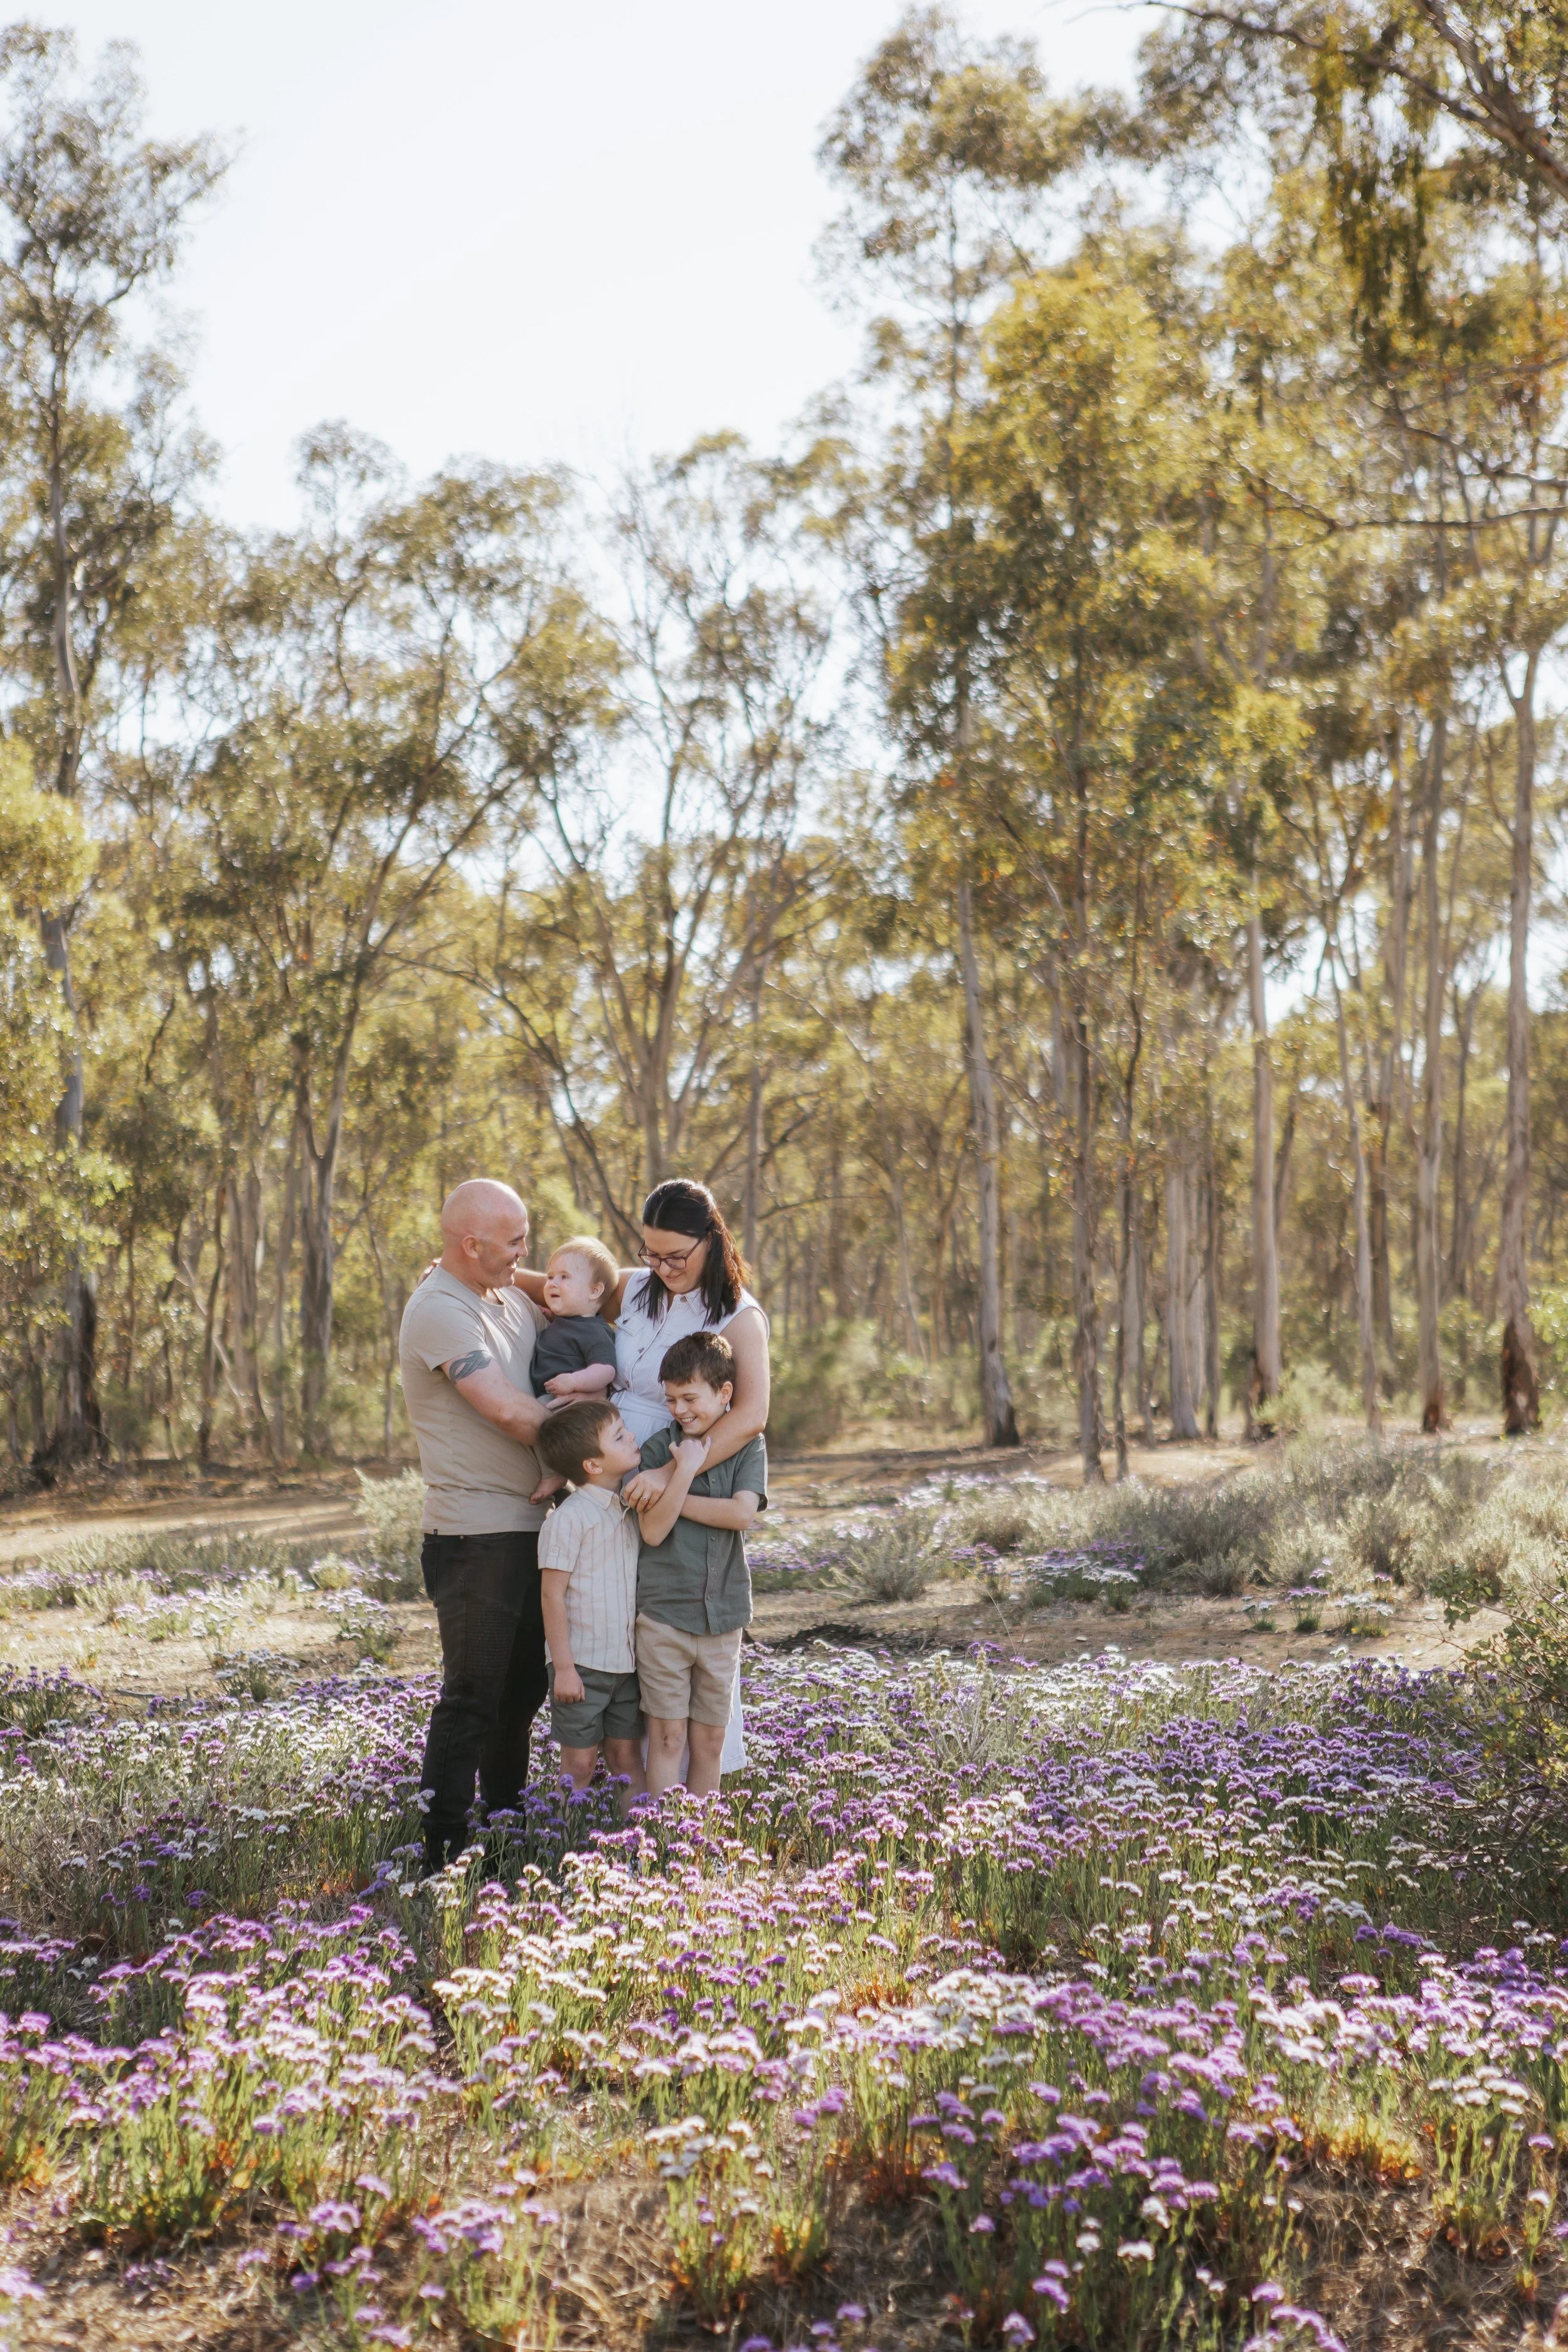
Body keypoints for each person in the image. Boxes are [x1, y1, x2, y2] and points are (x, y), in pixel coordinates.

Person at [513, 1177, 769, 1777]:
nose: (662, 1266)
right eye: (650, 1253)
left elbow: (751, 1416)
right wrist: (478, 1276)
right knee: (603, 1616)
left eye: (676, 1256)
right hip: (607, 1474)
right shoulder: (636, 1288)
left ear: (712, 1240)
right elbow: (568, 1283)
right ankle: (608, 1786)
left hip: (671, 1470)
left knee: (667, 1623)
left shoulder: (738, 1314)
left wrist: (670, 1472)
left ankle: (679, 1807)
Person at [398, 1179, 556, 1873]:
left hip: (529, 1529)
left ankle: (506, 1826)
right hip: (473, 1538)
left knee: (522, 1692)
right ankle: (442, 1850)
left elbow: (593, 1290)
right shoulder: (438, 1309)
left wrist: (514, 1266)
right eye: (516, 1241)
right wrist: (618, 1441)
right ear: (470, 1244)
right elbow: (510, 1413)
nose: (527, 1254)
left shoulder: (508, 1292)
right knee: (473, 1696)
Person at [632, 1331, 765, 1798]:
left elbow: (740, 1514)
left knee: (709, 1740)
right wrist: (682, 1469)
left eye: (690, 1397)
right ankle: (663, 1847)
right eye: (671, 1400)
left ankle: (696, 1849)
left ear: (724, 1393)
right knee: (667, 1738)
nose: (679, 1410)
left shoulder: (749, 1447)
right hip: (664, 1618)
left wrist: (673, 1491)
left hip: (723, 1617)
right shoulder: (655, 1452)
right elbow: (652, 1531)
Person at [534, 1398, 647, 1811]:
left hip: (627, 1664)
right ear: (593, 1466)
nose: (631, 1435)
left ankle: (637, 1845)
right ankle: (562, 1848)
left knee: (626, 1758)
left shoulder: (631, 1509)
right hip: (580, 1665)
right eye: (619, 1435)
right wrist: (563, 1668)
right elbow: (551, 1595)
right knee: (579, 1764)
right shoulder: (569, 1519)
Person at [527, 1236, 621, 1503]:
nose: (552, 1283)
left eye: (564, 1277)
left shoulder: (594, 1332)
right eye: (550, 1277)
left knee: (540, 1423)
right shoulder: (563, 1322)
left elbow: (606, 1370)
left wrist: (574, 1381)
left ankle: (554, 1476)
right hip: (551, 1395)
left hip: (569, 1404)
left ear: (594, 1291)